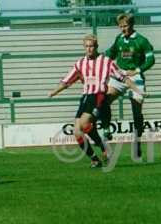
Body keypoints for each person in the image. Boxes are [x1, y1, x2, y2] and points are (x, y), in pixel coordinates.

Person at [49, 34, 141, 168]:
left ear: (96, 47)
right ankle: (95, 158)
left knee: (84, 123)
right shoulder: (80, 63)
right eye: (86, 46)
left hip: (99, 95)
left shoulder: (106, 61)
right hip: (85, 97)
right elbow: (67, 80)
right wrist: (54, 92)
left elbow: (122, 77)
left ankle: (103, 146)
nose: (89, 49)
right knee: (77, 131)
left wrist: (138, 90)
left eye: (91, 46)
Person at [102, 13, 155, 157]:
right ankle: (107, 130)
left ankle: (137, 142)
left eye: (125, 26)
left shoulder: (142, 41)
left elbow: (151, 60)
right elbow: (110, 53)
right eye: (120, 26)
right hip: (119, 76)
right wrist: (99, 58)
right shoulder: (119, 39)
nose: (122, 29)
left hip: (135, 76)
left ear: (132, 25)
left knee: (136, 110)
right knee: (103, 101)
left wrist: (137, 70)